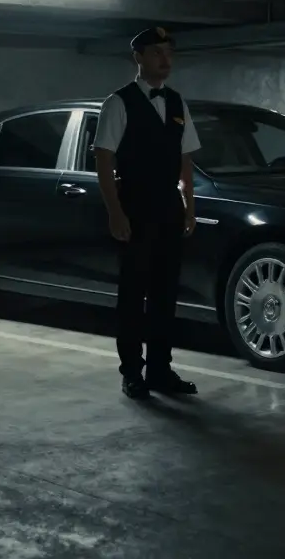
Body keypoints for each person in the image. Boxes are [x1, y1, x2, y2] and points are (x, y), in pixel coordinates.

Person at [91, 27, 201, 399]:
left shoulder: (177, 102)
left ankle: (159, 369)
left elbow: (185, 160)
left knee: (165, 294)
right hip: (135, 205)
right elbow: (103, 159)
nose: (165, 60)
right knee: (133, 293)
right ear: (138, 58)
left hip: (168, 206)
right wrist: (115, 212)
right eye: (156, 52)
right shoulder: (119, 103)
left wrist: (189, 207)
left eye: (169, 52)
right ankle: (132, 372)